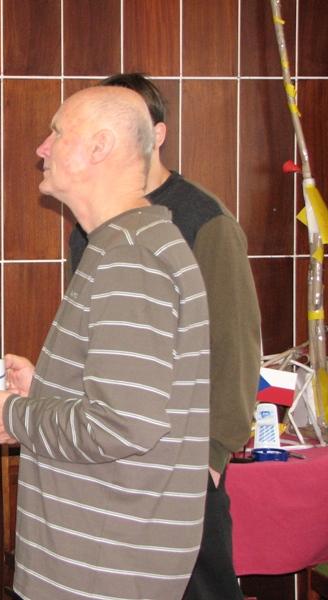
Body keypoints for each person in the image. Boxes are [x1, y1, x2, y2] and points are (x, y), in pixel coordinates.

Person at [0, 85, 211, 599]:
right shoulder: (125, 245)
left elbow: (123, 425)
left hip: (105, 566)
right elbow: (131, 400)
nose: (42, 147)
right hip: (102, 557)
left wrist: (13, 416)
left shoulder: (130, 257)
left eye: (57, 132)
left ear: (100, 146)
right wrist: (45, 390)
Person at [68, 73, 261, 600]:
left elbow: (235, 348)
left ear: (157, 134)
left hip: (182, 466)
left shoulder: (203, 219)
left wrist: (210, 459)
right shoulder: (90, 225)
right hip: (113, 460)